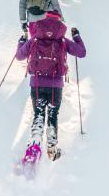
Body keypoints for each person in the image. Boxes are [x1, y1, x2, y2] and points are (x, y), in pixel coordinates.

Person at [16, 9, 86, 161]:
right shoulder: (62, 40)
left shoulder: (35, 38)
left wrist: (21, 42)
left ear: (45, 19)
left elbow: (19, 56)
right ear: (59, 22)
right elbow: (81, 52)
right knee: (53, 115)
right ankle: (52, 150)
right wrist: (76, 36)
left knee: (38, 113)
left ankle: (34, 146)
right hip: (56, 85)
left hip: (37, 83)